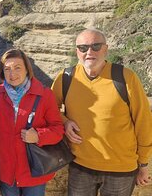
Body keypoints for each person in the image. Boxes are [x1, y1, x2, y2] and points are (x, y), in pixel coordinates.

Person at [51, 28, 152, 196]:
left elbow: (143, 121)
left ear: (106, 49)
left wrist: (143, 164)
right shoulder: (66, 77)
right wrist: (64, 121)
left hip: (121, 169)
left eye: (95, 46)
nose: (89, 52)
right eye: (83, 48)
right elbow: (48, 109)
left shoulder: (125, 77)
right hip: (80, 166)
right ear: (77, 51)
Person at [0, 48, 64, 196]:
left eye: (17, 68)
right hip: (6, 172)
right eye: (7, 69)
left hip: (33, 172)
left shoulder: (44, 94)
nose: (12, 74)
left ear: (27, 69)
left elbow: (58, 130)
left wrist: (39, 136)